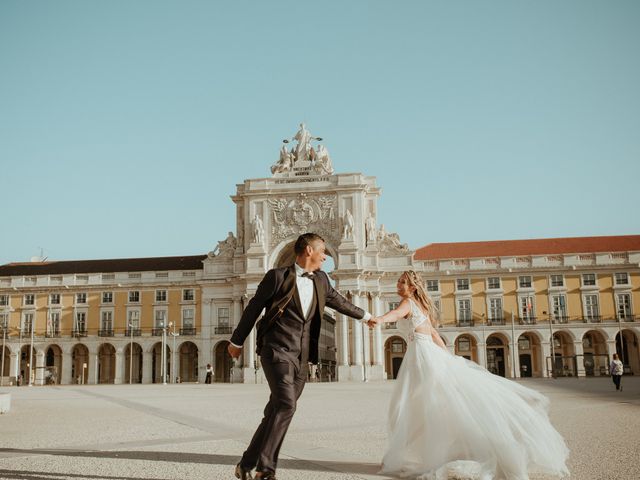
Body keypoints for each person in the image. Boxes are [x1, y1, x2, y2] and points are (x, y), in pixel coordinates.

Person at [369, 270, 569, 480]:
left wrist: (380, 319)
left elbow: (396, 315)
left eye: (403, 282)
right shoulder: (422, 306)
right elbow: (434, 334)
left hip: (420, 356)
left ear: (413, 287)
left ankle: (403, 454)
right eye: (399, 282)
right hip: (427, 353)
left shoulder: (408, 303)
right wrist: (448, 358)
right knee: (433, 404)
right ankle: (451, 448)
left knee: (411, 406)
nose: (398, 285)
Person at [228, 232, 372, 480]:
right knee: (286, 404)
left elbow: (339, 302)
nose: (325, 256)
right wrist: (237, 340)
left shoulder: (322, 280)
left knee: (274, 411)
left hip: (303, 358)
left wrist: (368, 317)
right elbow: (252, 308)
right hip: (277, 351)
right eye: (322, 251)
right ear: (308, 250)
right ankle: (266, 468)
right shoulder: (277, 277)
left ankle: (246, 463)